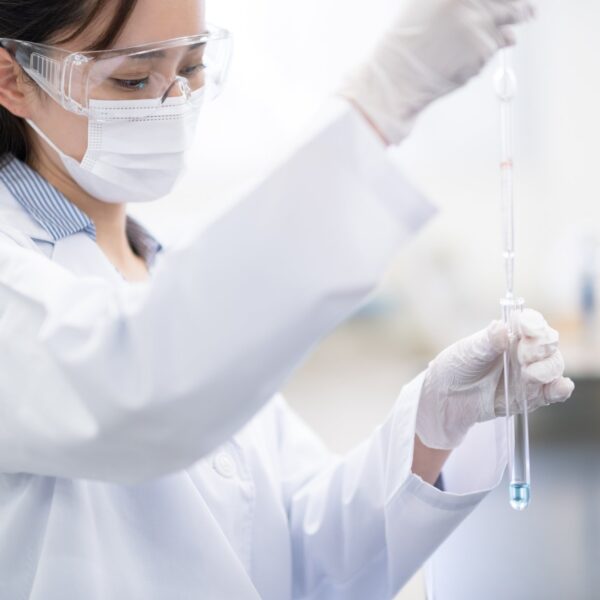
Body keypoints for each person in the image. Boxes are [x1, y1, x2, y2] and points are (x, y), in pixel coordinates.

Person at [0, 0, 573, 598]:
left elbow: (304, 551)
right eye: (132, 79)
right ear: (13, 80)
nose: (170, 102)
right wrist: (382, 99)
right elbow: (137, 385)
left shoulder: (162, 269)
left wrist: (435, 421)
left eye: (193, 67)